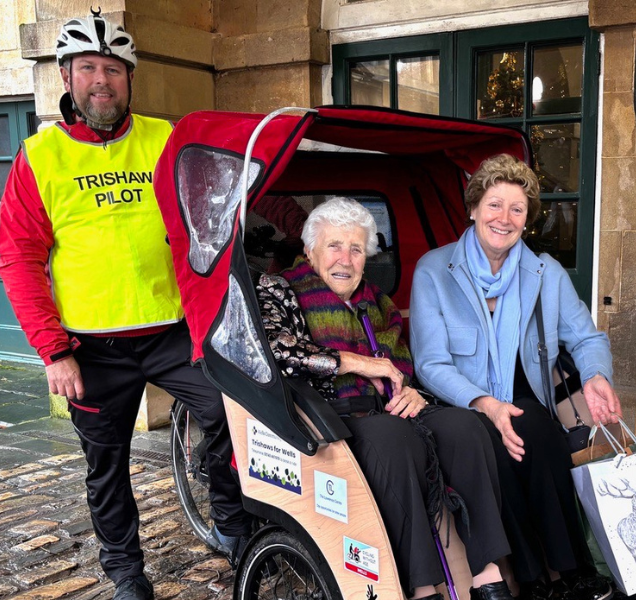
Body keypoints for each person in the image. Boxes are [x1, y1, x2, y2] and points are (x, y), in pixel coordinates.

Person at [0, 11, 250, 600]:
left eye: (112, 68)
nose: (101, 80)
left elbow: (222, 198)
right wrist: (52, 352)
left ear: (129, 78)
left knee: (226, 415)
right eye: (87, 68)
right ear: (67, 77)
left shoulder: (164, 138)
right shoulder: (40, 158)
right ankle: (125, 574)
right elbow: (19, 259)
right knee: (106, 466)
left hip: (173, 334)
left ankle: (232, 524)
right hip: (89, 348)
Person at [256, 197, 515, 600]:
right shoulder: (280, 289)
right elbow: (279, 351)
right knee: (393, 440)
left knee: (466, 427)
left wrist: (411, 391)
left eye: (356, 249)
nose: (346, 259)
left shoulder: (377, 300)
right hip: (327, 416)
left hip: (391, 409)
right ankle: (420, 586)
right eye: (334, 246)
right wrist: (358, 363)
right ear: (310, 251)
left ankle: (487, 572)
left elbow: (401, 364)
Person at [409, 154, 620, 600]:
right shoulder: (434, 270)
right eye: (494, 205)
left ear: (527, 219)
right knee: (493, 449)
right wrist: (486, 404)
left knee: (539, 435)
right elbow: (430, 363)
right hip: (462, 404)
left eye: (516, 209)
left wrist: (596, 375)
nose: (504, 218)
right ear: (473, 208)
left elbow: (586, 338)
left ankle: (573, 570)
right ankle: (532, 579)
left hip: (523, 396)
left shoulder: (544, 273)